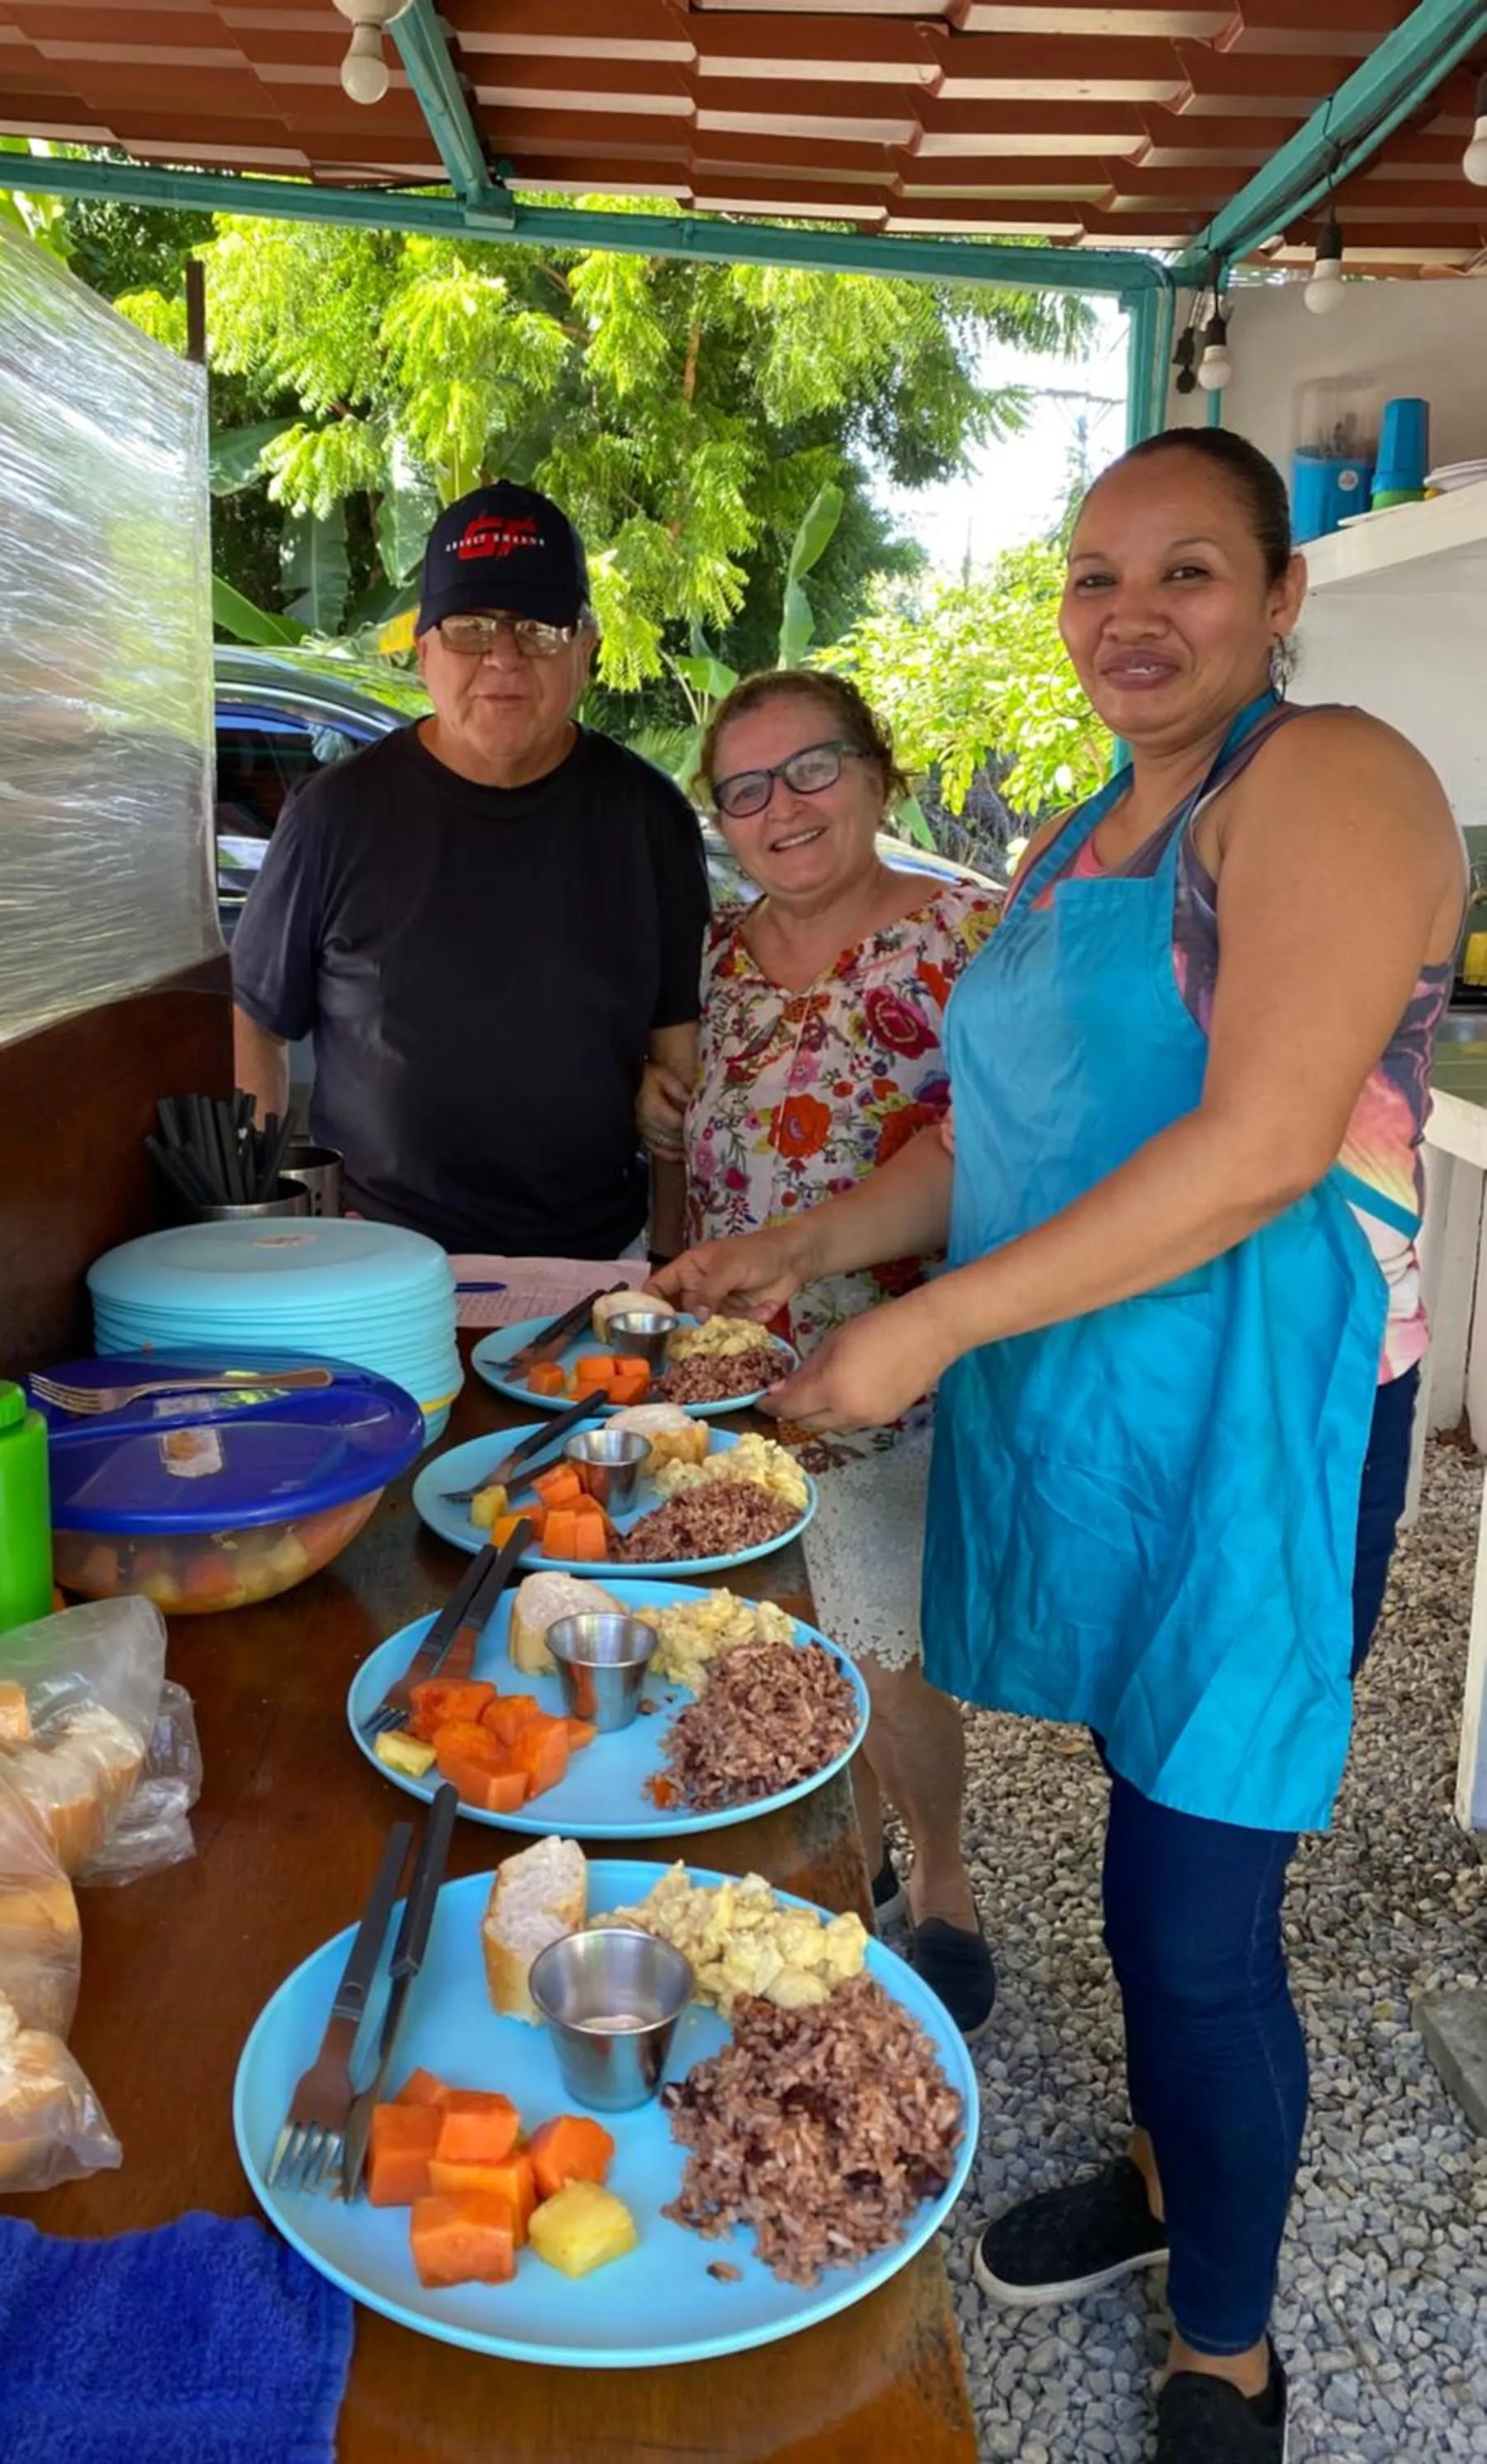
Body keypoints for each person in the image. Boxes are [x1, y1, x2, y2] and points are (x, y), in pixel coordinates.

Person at [654, 427, 1464, 2464]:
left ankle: (1229, 2347)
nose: (1132, 613)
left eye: (1187, 571)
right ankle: (1182, 2165)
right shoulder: (1080, 839)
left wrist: (914, 1327)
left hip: (1251, 1434)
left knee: (1194, 1916)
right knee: (1129, 1844)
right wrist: (814, 1239)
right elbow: (987, 1139)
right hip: (1091, 1413)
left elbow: (1266, 1141)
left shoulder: (1333, 781)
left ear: (1279, 598)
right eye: (1097, 576)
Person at [636, 668, 1002, 2034]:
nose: (780, 808)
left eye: (811, 770)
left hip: (892, 1370)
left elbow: (1008, 1160)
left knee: (886, 1642)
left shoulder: (972, 940)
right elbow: (686, 1123)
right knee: (769, 1635)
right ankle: (833, 1868)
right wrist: (662, 1131)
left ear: (879, 775)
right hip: (732, 1368)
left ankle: (948, 1887)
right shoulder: (716, 957)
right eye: (745, 789)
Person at [229, 482, 708, 1259]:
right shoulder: (333, 815)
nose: (503, 657)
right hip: (371, 1253)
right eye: (471, 627)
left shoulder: (648, 818)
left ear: (586, 647)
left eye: (538, 628)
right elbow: (260, 1019)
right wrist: (275, 1226)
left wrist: (666, 1259)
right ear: (423, 651)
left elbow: (676, 1056)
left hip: (591, 1259)